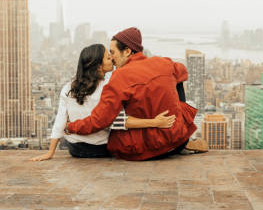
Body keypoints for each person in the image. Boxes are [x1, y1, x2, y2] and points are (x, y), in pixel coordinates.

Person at [66, 27, 208, 161]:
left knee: (115, 120)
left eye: (113, 52)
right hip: (177, 142)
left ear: (127, 51)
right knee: (177, 81)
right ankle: (179, 129)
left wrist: (71, 127)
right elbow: (182, 70)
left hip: (144, 150)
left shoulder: (119, 77)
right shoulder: (164, 62)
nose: (112, 58)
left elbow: (99, 121)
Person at [30, 43, 175, 161]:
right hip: (100, 149)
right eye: (107, 57)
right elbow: (119, 122)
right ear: (98, 65)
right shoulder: (109, 87)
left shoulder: (68, 87)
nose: (111, 58)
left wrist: (50, 153)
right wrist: (155, 122)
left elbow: (60, 120)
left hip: (75, 149)